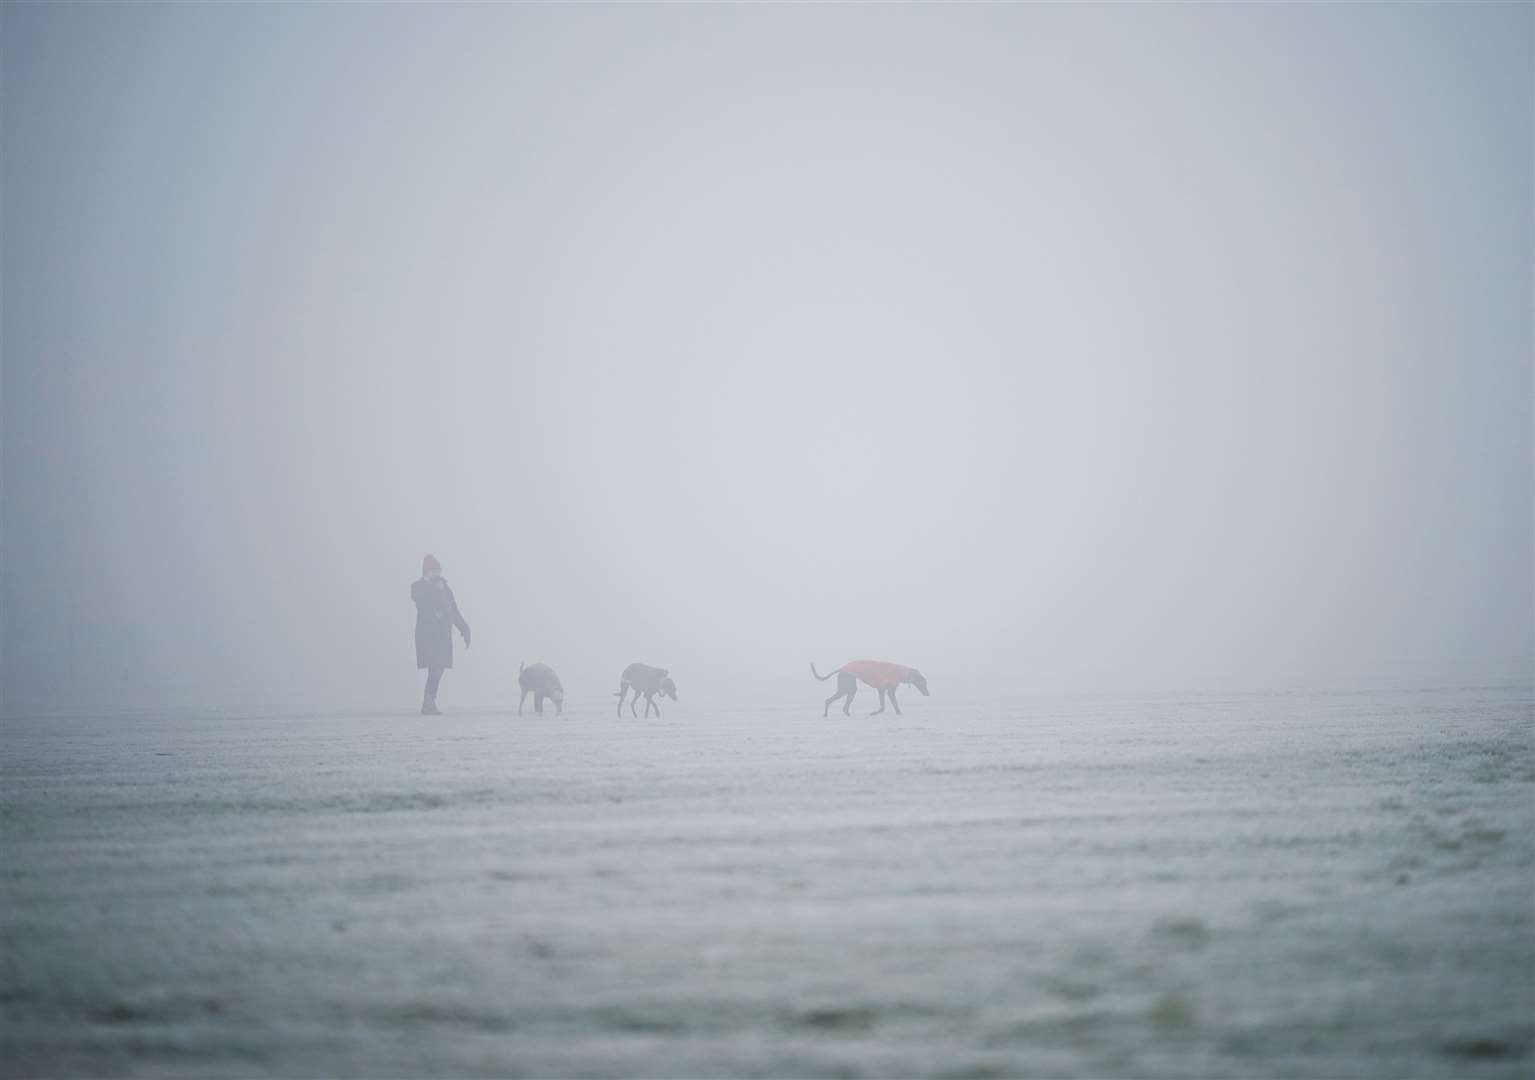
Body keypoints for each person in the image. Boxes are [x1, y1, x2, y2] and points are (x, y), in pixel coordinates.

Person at [411, 554, 470, 715]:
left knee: (438, 668)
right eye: (434, 570)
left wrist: (464, 629)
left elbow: (453, 610)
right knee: (435, 667)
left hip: (443, 635)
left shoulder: (445, 588)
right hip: (427, 635)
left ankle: (429, 701)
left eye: (438, 570)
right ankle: (428, 703)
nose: (437, 573)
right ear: (427, 571)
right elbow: (420, 600)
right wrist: (433, 587)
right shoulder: (418, 586)